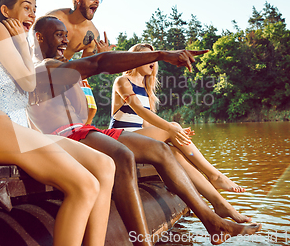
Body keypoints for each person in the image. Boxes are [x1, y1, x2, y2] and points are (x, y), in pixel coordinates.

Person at [27, 16, 262, 246]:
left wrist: (89, 67)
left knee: (161, 150)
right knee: (124, 156)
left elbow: (86, 111)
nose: (65, 41)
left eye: (66, 36)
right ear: (39, 37)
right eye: (59, 35)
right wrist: (161, 54)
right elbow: (99, 64)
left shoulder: (61, 71)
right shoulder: (43, 67)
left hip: (83, 130)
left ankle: (212, 221)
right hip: (64, 136)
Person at [0, 0, 116, 246]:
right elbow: (28, 82)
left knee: (104, 165)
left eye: (35, 8)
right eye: (26, 6)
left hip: (16, 129)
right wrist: (24, 43)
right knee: (85, 186)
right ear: (5, 10)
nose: (32, 13)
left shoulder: (12, 42)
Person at [109, 42, 250, 222]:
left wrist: (174, 133)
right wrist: (170, 128)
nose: (153, 62)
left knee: (176, 154)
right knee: (173, 126)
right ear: (135, 59)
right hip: (118, 140)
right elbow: (139, 110)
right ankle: (215, 175)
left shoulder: (145, 89)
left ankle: (220, 204)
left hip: (137, 141)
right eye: (148, 58)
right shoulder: (122, 81)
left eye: (155, 59)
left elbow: (145, 126)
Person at [47, 0, 114, 125]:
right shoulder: (55, 18)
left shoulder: (92, 33)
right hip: (45, 67)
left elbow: (85, 68)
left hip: (68, 68)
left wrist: (100, 56)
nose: (97, 1)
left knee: (90, 105)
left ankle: (83, 133)